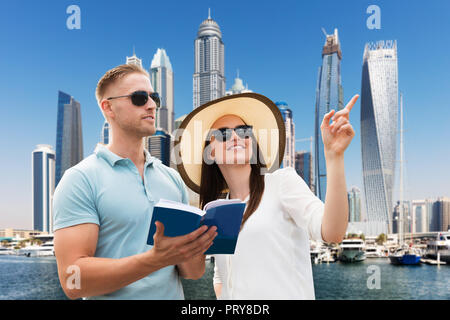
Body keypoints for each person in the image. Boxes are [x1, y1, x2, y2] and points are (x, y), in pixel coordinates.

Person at [53, 64, 217, 300]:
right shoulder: (80, 180)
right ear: (107, 107)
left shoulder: (171, 179)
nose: (151, 105)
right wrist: (155, 260)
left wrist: (196, 246)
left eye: (155, 98)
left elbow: (192, 272)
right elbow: (72, 281)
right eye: (139, 98)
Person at [175, 92, 359, 299]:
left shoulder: (281, 183)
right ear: (211, 152)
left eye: (244, 131)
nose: (235, 136)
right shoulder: (216, 211)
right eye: (223, 134)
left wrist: (334, 156)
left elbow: (333, 232)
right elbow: (221, 278)